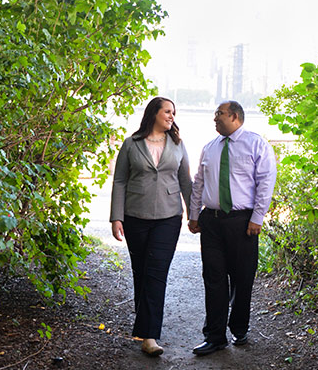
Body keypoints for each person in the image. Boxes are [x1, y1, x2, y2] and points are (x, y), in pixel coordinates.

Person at [188, 100, 277, 356]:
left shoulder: (256, 144)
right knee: (213, 278)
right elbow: (199, 183)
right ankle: (214, 336)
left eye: (220, 114)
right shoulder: (210, 148)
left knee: (242, 277)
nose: (215, 118)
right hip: (212, 222)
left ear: (235, 116)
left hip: (242, 222)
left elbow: (265, 181)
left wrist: (257, 217)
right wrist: (194, 215)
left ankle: (240, 328)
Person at [110, 96, 194, 356]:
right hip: (135, 216)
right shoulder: (131, 144)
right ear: (154, 114)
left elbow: (185, 181)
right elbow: (120, 181)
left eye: (173, 112)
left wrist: (194, 214)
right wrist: (116, 217)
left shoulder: (178, 144)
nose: (171, 116)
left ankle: (149, 335)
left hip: (168, 218)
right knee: (141, 272)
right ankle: (144, 325)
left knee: (156, 272)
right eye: (167, 111)